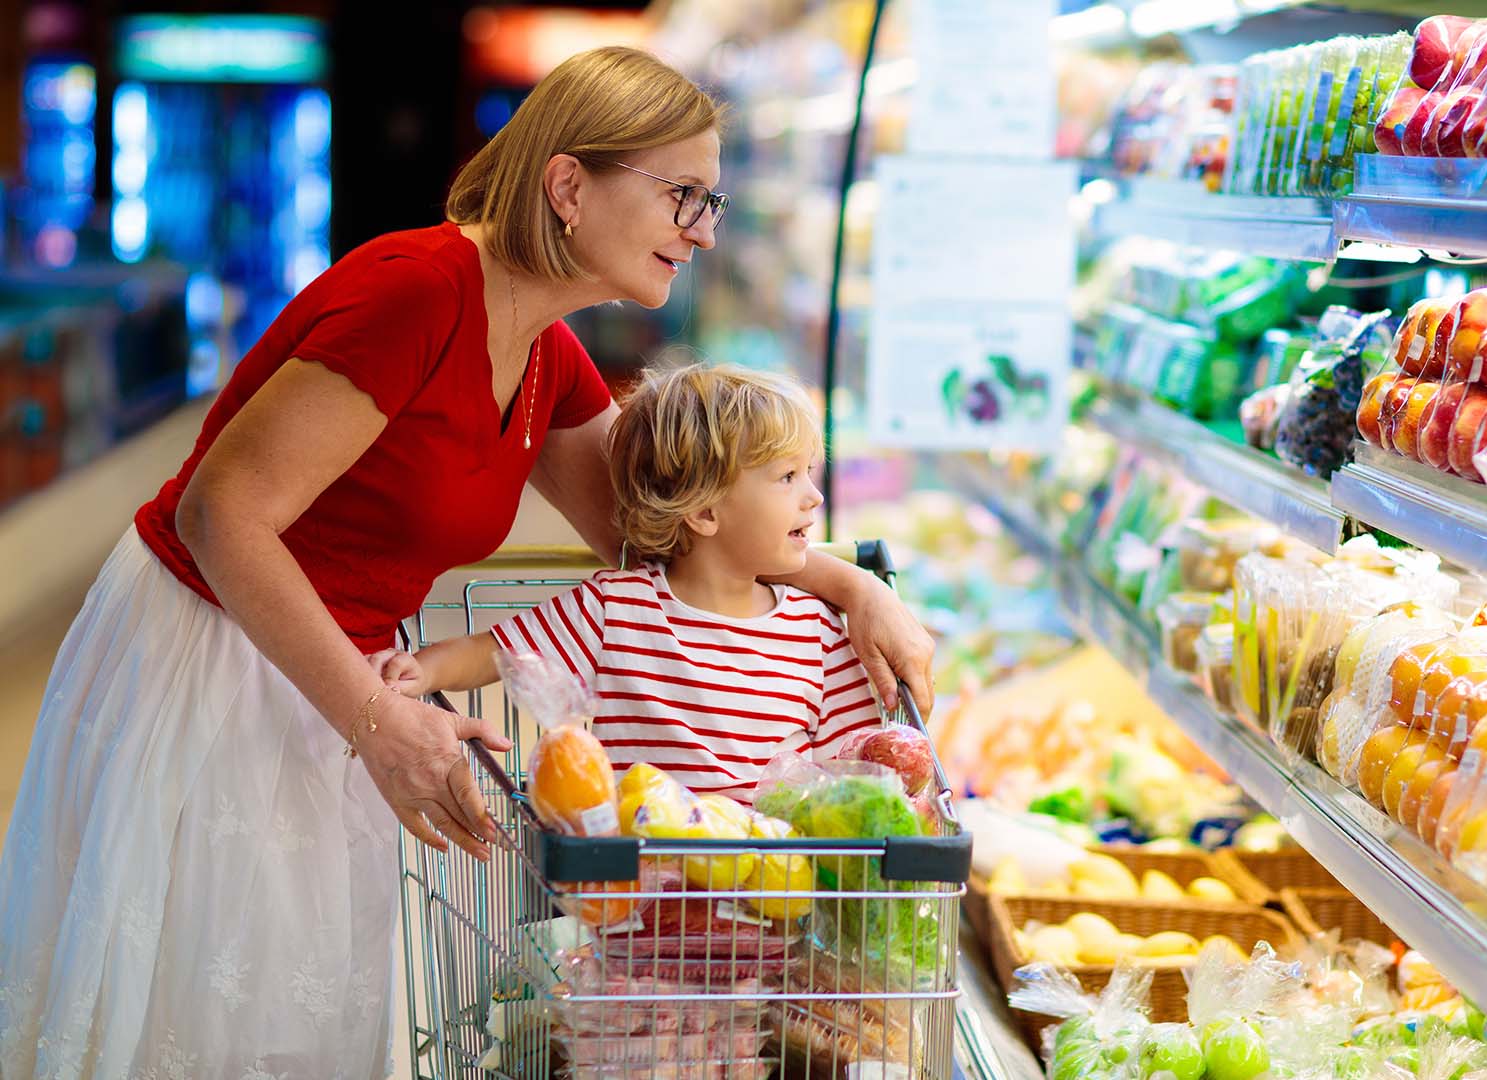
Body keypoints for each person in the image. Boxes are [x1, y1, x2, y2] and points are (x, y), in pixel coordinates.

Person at [0, 47, 933, 1078]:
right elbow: (225, 516)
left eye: (711, 200)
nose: (705, 230)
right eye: (682, 195)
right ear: (569, 186)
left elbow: (663, 532)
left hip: (332, 672)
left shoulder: (540, 351)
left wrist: (849, 586)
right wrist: (375, 717)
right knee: (211, 1011)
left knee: (295, 1008)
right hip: (216, 651)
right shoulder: (415, 294)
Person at [370, 364, 883, 801]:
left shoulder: (817, 632)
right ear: (704, 511)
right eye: (787, 476)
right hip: (638, 905)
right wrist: (422, 669)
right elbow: (494, 653)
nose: (813, 497)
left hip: (777, 894)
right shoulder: (618, 608)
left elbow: (855, 767)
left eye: (809, 473)